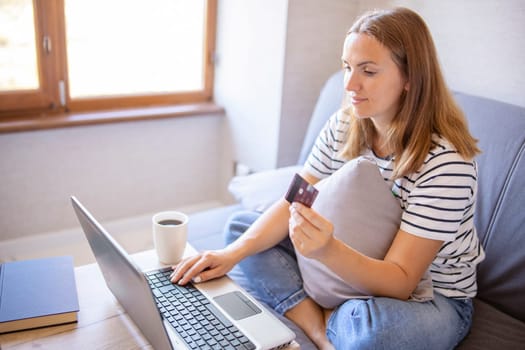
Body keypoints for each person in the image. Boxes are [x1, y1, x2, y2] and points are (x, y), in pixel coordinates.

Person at [171, 7, 485, 349]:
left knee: (372, 332)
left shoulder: (446, 162)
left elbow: (401, 283)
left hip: (428, 296)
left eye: (368, 71)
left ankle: (330, 313)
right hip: (346, 262)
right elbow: (297, 198)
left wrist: (327, 251)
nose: (350, 84)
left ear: (410, 78)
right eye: (347, 67)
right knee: (240, 231)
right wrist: (231, 253)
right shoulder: (344, 126)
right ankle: (321, 331)